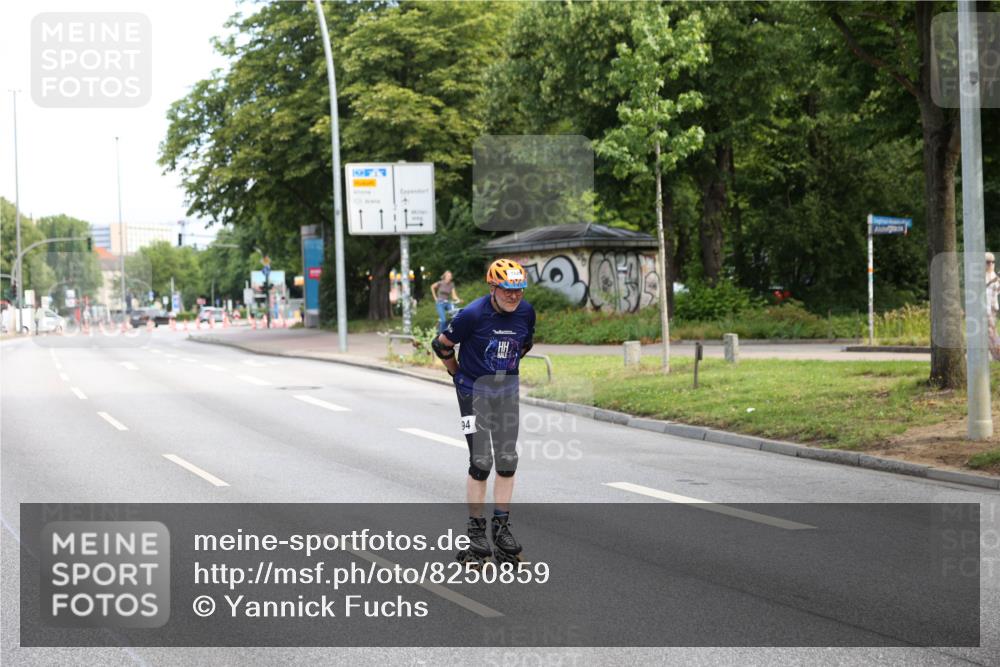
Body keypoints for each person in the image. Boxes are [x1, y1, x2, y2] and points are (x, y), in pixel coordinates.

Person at [432, 259, 536, 565]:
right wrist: (456, 374)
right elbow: (441, 345)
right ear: (493, 287)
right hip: (472, 391)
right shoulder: (473, 314)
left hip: (506, 391)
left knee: (507, 460)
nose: (513, 296)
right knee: (481, 461)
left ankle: (501, 530)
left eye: (518, 290)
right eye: (507, 290)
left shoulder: (526, 312)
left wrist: (507, 368)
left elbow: (524, 343)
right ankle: (476, 532)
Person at [986, 253, 1000, 361]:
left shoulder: (994, 275)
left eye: (993, 262)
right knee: (990, 331)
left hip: (992, 308)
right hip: (984, 309)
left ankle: (996, 355)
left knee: (990, 332)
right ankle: (997, 355)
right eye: (988, 262)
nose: (991, 264)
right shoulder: (980, 275)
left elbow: (996, 291)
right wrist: (993, 281)